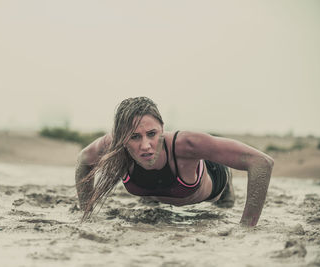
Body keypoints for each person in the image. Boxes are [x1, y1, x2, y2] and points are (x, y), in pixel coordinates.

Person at [75, 97, 274, 227]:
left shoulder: (186, 144)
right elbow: (84, 160)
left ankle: (228, 186)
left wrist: (246, 227)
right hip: (156, 190)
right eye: (134, 137)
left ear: (162, 127)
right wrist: (87, 213)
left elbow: (261, 162)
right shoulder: (112, 145)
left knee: (223, 197)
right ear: (121, 137)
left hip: (211, 177)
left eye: (152, 134)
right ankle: (150, 195)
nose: (146, 146)